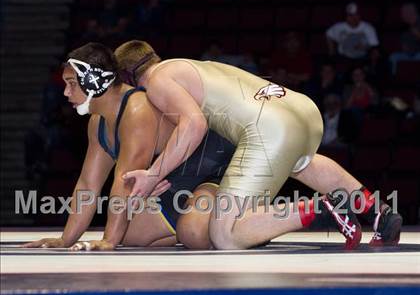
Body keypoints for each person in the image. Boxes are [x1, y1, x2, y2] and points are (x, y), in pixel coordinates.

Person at [112, 40, 402, 250]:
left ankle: (322, 208)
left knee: (225, 235)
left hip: (269, 128)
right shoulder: (188, 66)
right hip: (300, 108)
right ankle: (379, 213)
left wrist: (153, 174)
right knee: (301, 163)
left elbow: (194, 125)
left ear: (128, 80)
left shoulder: (157, 81)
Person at [22, 43, 236, 250]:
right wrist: (66, 239)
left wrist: (108, 241)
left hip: (214, 167)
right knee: (132, 236)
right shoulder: (98, 122)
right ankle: (195, 221)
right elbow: (88, 184)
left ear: (94, 81)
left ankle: (238, 219)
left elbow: (125, 180)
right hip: (179, 177)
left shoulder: (137, 110)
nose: (66, 93)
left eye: (72, 83)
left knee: (194, 235)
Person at [389, 3, 420, 74]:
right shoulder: (405, 27)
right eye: (402, 12)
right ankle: (395, 78)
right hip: (410, 54)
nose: (402, 15)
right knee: (393, 57)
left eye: (404, 12)